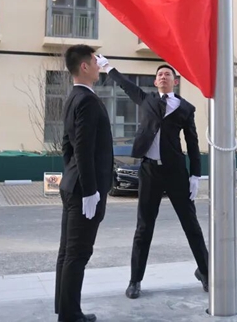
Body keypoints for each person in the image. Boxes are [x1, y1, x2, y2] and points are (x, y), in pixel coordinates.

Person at [95, 54, 209, 299]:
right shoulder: (146, 100)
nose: (163, 76)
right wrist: (108, 67)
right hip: (149, 171)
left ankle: (206, 272)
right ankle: (135, 280)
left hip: (176, 172)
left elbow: (192, 143)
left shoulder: (186, 108)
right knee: (144, 227)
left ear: (175, 81)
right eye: (159, 75)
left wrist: (195, 175)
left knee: (191, 224)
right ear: (156, 82)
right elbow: (126, 85)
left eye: (168, 74)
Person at [54, 45, 114, 322]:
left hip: (72, 184)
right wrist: (90, 190)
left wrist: (72, 174)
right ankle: (70, 315)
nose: (99, 65)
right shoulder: (87, 100)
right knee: (78, 254)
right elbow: (82, 147)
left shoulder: (73, 97)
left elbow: (67, 146)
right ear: (85, 67)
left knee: (67, 252)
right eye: (95, 61)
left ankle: (65, 309)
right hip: (83, 190)